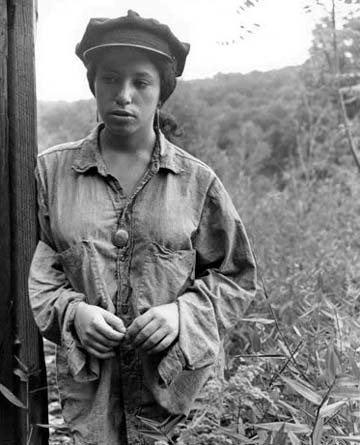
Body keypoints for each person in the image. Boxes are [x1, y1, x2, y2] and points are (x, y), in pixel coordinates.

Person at [29, 10, 257, 445]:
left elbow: (236, 277)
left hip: (181, 401)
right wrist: (74, 314)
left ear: (161, 92)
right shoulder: (50, 174)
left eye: (141, 82)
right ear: (93, 83)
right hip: (93, 402)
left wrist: (182, 314)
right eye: (110, 79)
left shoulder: (197, 182)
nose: (124, 95)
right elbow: (41, 273)